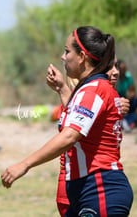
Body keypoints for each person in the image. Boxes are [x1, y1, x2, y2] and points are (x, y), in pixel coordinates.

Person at [1, 26, 133, 216]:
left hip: (100, 188)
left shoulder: (93, 89)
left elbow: (69, 136)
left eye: (67, 51)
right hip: (88, 190)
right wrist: (63, 89)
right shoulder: (93, 88)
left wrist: (24, 165)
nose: (63, 57)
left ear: (81, 57)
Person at [47, 59, 130, 216]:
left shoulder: (105, 97)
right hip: (79, 184)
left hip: (92, 184)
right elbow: (70, 136)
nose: (115, 72)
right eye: (109, 66)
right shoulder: (86, 99)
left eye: (116, 66)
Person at [117, 60, 137, 132]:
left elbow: (132, 91)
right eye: (121, 69)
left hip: (125, 98)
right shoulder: (115, 77)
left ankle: (126, 120)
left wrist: (127, 99)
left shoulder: (128, 77)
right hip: (116, 98)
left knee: (136, 101)